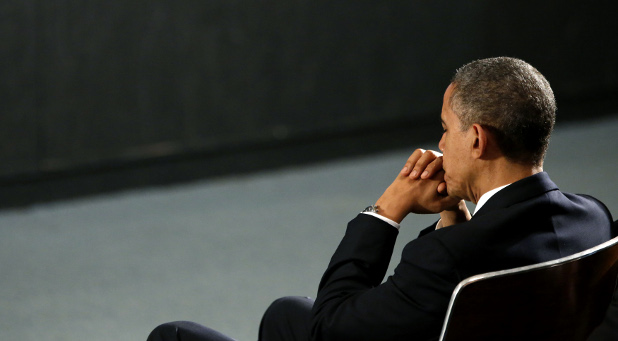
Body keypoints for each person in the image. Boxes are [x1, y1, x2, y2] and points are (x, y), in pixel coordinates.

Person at [148, 57, 614, 341]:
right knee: (286, 313)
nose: (440, 141)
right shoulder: (593, 217)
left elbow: (329, 327)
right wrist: (454, 211)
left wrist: (386, 210)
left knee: (173, 337)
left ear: (476, 140)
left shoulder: (446, 261)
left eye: (447, 128)